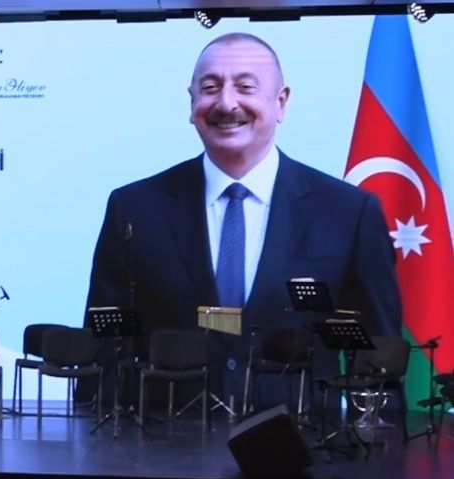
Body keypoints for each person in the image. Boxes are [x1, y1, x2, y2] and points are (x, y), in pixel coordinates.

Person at [84, 33, 401, 411]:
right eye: (210, 88)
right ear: (191, 103)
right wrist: (93, 431)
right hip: (162, 435)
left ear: (281, 102)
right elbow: (104, 343)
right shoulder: (135, 208)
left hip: (304, 439)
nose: (226, 103)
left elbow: (379, 351)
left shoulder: (349, 212)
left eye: (245, 87)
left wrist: (380, 438)